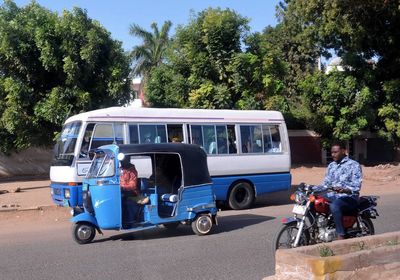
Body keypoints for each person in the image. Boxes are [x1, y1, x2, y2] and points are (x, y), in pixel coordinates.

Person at [317, 141, 362, 240]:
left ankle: (340, 234)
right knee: (313, 201)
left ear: (343, 151)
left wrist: (345, 190)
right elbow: (326, 184)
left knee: (335, 206)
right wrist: (311, 188)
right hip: (333, 195)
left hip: (349, 197)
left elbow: (356, 186)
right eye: (332, 152)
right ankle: (317, 229)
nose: (333, 154)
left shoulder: (354, 165)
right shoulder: (331, 166)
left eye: (335, 152)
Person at [120, 157, 149, 227]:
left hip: (132, 192)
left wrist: (122, 187)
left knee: (122, 197)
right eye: (121, 161)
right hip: (122, 190)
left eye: (122, 161)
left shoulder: (132, 171)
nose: (121, 163)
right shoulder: (120, 170)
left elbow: (133, 185)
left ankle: (129, 220)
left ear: (127, 161)